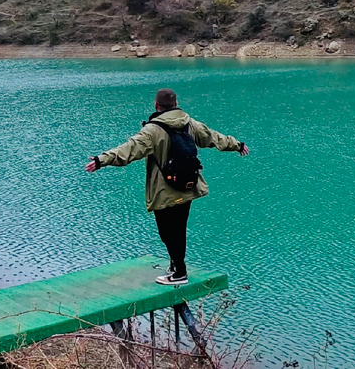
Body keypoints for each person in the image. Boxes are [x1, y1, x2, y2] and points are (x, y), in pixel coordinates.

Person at [86, 88, 249, 285]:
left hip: (165, 190)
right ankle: (175, 265)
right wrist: (237, 145)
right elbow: (213, 137)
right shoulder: (189, 123)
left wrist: (102, 160)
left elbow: (129, 149)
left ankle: (179, 272)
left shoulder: (152, 130)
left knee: (167, 232)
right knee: (179, 229)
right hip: (188, 184)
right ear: (175, 104)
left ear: (156, 105)